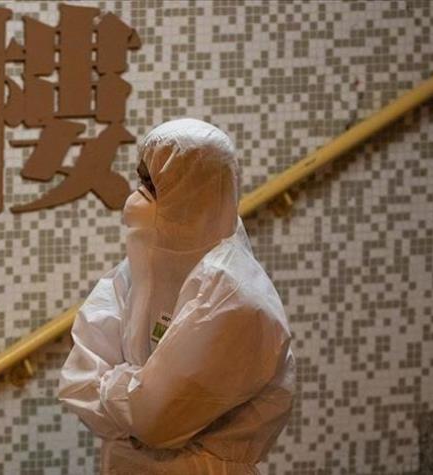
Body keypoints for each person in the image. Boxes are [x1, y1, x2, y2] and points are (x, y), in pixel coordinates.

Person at [59, 118, 294, 474]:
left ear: (194, 193)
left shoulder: (234, 295)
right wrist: (134, 390)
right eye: (140, 181)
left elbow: (155, 420)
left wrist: (117, 388)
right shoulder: (143, 266)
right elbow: (77, 381)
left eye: (153, 186)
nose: (136, 198)